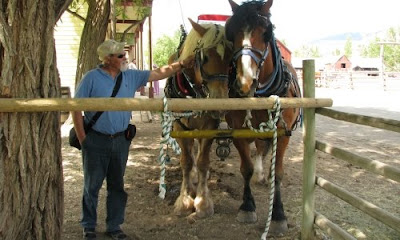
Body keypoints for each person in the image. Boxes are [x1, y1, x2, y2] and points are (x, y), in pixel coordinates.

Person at [71, 39, 194, 240]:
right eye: (120, 55)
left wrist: (180, 64)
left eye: (124, 54)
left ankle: (114, 226)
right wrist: (84, 139)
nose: (124, 57)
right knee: (92, 186)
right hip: (96, 140)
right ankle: (89, 227)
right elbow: (76, 107)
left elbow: (158, 73)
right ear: (108, 58)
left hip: (120, 141)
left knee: (117, 186)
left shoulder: (130, 76)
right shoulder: (91, 78)